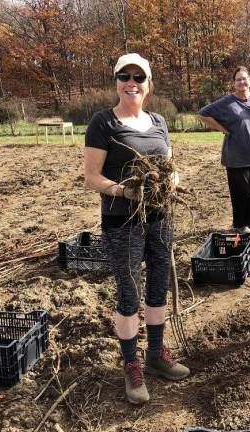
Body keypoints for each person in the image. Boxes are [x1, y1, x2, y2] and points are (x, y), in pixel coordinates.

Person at [83, 53, 189, 404]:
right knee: (129, 293)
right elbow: (91, 178)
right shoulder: (103, 123)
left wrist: (173, 179)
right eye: (124, 76)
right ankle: (131, 365)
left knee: (158, 285)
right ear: (116, 82)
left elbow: (170, 165)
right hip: (122, 221)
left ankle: (156, 355)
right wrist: (124, 190)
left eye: (138, 77)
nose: (132, 82)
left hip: (160, 217)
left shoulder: (158, 121)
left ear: (148, 83)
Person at [198, 66, 250, 234]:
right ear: (234, 83)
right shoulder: (227, 102)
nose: (242, 82)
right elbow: (202, 114)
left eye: (244, 78)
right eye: (238, 79)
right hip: (236, 156)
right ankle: (240, 225)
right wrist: (222, 129)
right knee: (241, 192)